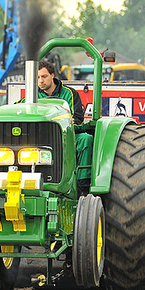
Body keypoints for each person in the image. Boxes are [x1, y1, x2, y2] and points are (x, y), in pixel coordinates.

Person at [35, 60, 93, 195]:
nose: (40, 81)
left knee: (85, 139)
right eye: (37, 77)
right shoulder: (32, 97)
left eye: (44, 76)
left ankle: (82, 186)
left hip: (66, 137)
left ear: (52, 75)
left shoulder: (70, 94)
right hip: (41, 139)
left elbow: (78, 120)